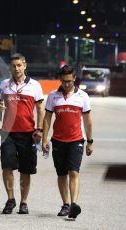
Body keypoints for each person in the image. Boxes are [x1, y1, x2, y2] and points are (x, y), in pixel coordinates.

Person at [0, 53, 44, 215]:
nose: (16, 68)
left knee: (25, 170)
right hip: (7, 133)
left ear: (25, 65)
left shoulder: (35, 85)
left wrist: (40, 129)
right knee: (6, 166)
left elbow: (40, 110)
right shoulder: (4, 84)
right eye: (13, 66)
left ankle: (24, 202)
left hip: (28, 133)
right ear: (10, 67)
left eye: (19, 65)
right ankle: (10, 199)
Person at [42, 65, 93, 219]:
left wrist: (90, 141)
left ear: (74, 79)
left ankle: (73, 205)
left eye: (70, 81)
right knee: (62, 173)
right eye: (64, 81)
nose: (67, 84)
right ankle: (65, 204)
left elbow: (88, 120)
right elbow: (47, 118)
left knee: (73, 171)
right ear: (60, 79)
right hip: (58, 140)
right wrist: (44, 138)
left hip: (76, 140)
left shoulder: (83, 96)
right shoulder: (52, 96)